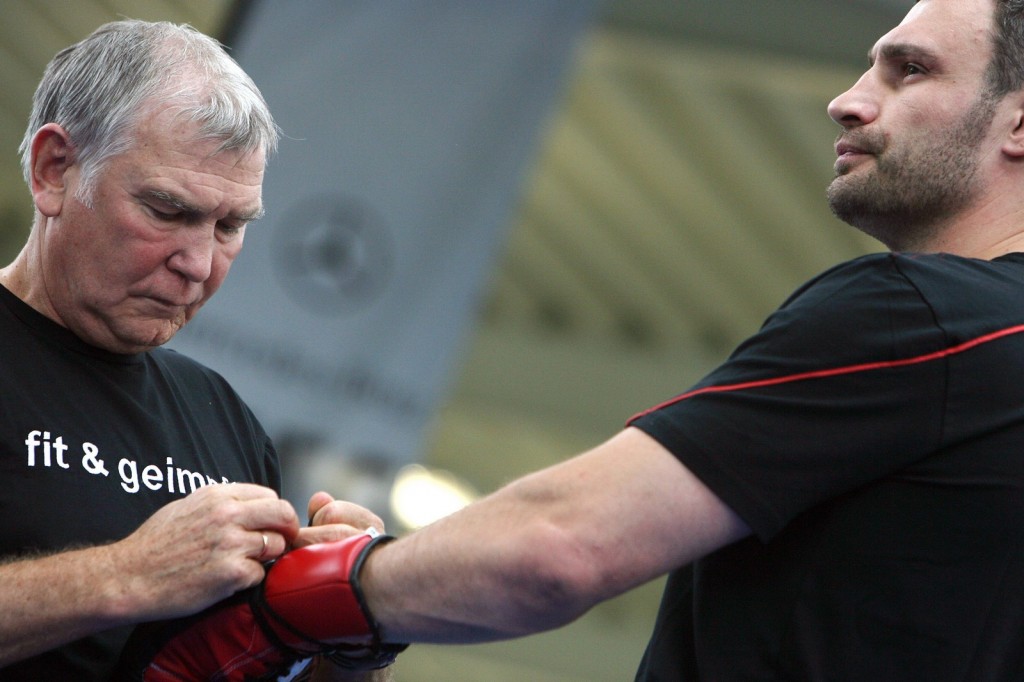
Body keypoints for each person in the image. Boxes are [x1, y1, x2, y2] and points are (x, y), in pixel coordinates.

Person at [158, 0, 1024, 679]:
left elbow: (557, 547)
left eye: (911, 69)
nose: (849, 99)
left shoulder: (924, 315)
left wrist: (297, 604)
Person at [0, 19, 391, 682]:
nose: (200, 264)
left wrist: (350, 620)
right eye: (167, 210)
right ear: (54, 170)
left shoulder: (223, 418)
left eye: (230, 226)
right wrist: (129, 574)